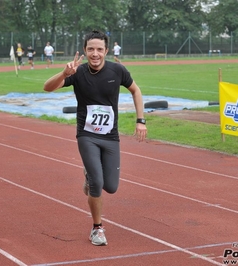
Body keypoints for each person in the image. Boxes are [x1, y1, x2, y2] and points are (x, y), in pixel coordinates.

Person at [43, 30, 147, 246]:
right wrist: (63, 73)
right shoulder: (78, 72)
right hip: (87, 135)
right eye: (91, 49)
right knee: (97, 184)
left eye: (99, 49)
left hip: (110, 137)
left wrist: (141, 120)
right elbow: (47, 87)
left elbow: (136, 91)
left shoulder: (117, 70)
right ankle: (97, 228)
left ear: (106, 51)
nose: (95, 53)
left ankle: (90, 176)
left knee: (111, 186)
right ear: (85, 51)